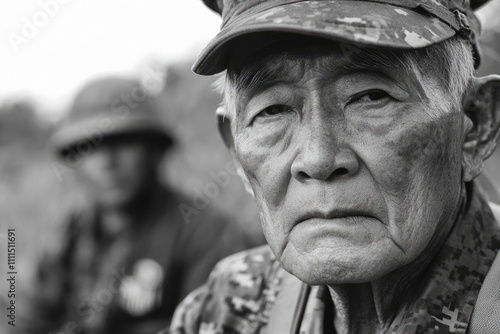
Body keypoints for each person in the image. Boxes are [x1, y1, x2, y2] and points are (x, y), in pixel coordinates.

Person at [166, 0, 500, 333]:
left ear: (476, 125)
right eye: (272, 110)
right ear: (236, 152)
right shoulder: (227, 308)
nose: (318, 160)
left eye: (371, 96)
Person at [17, 77, 250, 334]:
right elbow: (27, 318)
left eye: (123, 143)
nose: (107, 162)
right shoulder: (67, 232)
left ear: (153, 151)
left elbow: (210, 325)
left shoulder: (205, 233)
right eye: (92, 147)